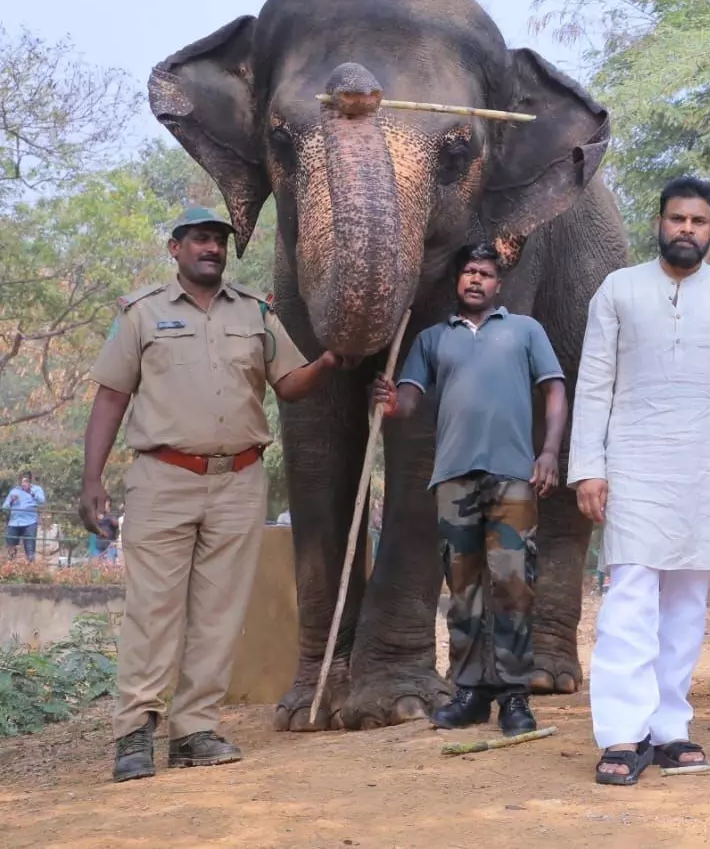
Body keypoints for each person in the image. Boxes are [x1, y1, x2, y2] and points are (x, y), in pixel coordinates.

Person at [79, 207, 339, 783]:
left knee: (220, 613)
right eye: (200, 239)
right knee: (152, 610)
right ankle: (134, 734)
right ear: (175, 249)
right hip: (162, 478)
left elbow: (290, 386)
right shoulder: (140, 312)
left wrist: (327, 362)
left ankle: (194, 729)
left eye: (219, 241)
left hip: (239, 480)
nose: (212, 249)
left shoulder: (255, 313)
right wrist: (91, 480)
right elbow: (111, 398)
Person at [570, 175, 710, 785]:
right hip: (634, 463)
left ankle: (670, 728)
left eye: (699, 221)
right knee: (630, 596)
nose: (687, 229)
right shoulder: (619, 289)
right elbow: (593, 382)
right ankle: (622, 735)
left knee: (688, 601)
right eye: (677, 219)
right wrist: (589, 468)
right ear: (659, 222)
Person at [372, 243, 568, 738]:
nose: (475, 280)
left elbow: (555, 389)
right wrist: (392, 402)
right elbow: (410, 402)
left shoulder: (525, 330)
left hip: (513, 477)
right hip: (454, 479)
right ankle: (470, 692)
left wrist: (547, 453)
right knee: (463, 590)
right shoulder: (434, 339)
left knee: (513, 584)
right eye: (468, 273)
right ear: (457, 283)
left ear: (498, 284)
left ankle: (515, 696)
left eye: (484, 273)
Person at [3, 471, 46, 561]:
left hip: (29, 522)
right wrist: (12, 501)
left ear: (30, 480)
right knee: (11, 549)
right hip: (14, 523)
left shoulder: (36, 489)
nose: (23, 483)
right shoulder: (14, 491)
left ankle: (31, 569)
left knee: (30, 550)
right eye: (22, 481)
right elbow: (5, 507)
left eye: (25, 481)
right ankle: (10, 569)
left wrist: (31, 492)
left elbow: (42, 501)